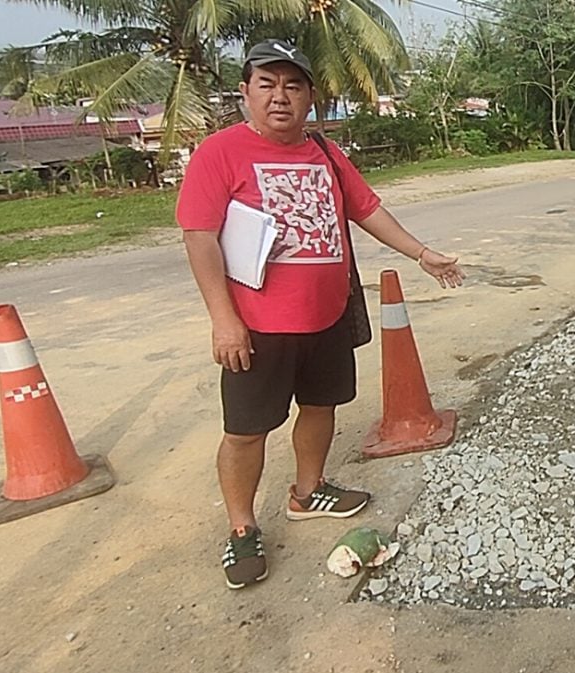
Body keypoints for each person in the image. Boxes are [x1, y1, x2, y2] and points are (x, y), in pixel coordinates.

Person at [176, 39, 464, 590]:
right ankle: (241, 528)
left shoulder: (326, 153)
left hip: (326, 317)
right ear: (246, 93)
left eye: (293, 85)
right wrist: (223, 319)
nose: (280, 96)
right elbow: (200, 238)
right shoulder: (220, 153)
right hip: (258, 326)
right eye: (267, 84)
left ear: (311, 97)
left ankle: (309, 492)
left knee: (321, 406)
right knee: (246, 431)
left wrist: (421, 253)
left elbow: (368, 210)